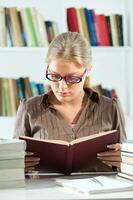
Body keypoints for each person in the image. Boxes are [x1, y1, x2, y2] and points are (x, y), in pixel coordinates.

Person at [14, 32, 127, 173]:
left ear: (88, 71)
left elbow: (125, 162)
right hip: (45, 194)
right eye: (54, 76)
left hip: (98, 194)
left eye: (72, 78)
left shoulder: (110, 108)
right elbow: (12, 165)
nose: (62, 86)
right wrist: (16, 164)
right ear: (47, 67)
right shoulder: (29, 108)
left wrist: (125, 160)